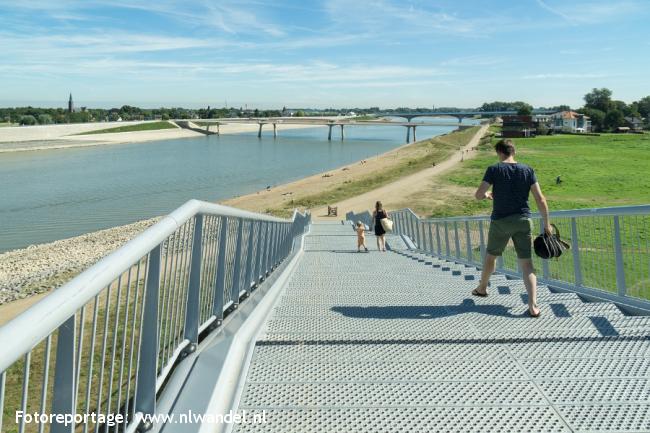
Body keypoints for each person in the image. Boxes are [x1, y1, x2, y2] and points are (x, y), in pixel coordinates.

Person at [472, 139, 552, 317]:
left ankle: (482, 288)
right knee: (527, 264)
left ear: (500, 152)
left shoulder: (494, 169)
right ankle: (533, 306)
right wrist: (546, 224)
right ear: (513, 152)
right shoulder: (527, 170)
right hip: (523, 220)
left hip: (500, 221)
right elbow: (540, 199)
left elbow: (478, 195)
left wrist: (486, 195)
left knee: (491, 257)